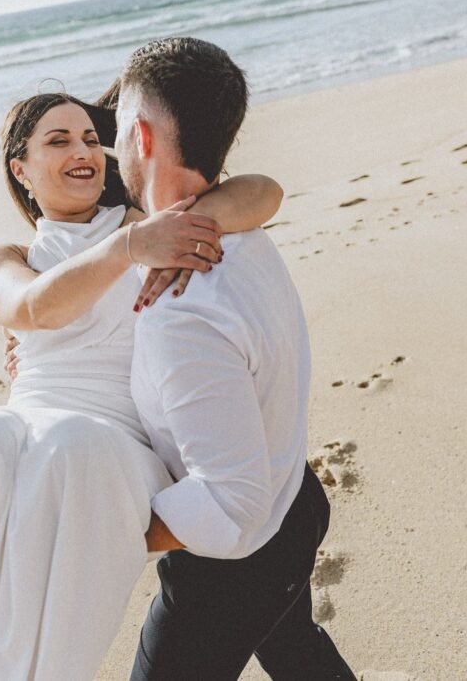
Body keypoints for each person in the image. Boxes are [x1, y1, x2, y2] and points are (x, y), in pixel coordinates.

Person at [0, 90, 283, 680]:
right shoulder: (10, 255)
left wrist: (174, 226)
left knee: (72, 448)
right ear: (19, 169)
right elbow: (28, 308)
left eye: (88, 139)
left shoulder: (145, 222)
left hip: (113, 438)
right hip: (30, 420)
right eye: (57, 141)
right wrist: (129, 249)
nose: (82, 151)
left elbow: (263, 192)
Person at [112, 37, 357, 680]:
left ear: (139, 135)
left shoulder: (181, 308)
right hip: (295, 502)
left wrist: (109, 533)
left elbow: (232, 505)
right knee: (297, 652)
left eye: (114, 126)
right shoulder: (235, 224)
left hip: (235, 569)